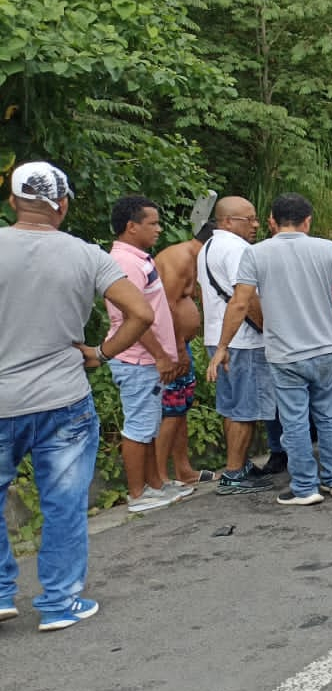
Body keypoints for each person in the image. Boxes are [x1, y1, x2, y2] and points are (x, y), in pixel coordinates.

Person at [2, 162, 154, 630]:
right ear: (63, 206)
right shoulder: (86, 255)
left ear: (12, 202)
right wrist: (100, 353)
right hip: (62, 399)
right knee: (63, 504)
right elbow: (140, 312)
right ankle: (59, 603)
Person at [210, 193, 332, 506]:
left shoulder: (256, 254)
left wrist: (222, 346)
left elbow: (240, 303)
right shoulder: (327, 249)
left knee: (295, 421)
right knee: (327, 414)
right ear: (308, 221)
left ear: (272, 221)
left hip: (285, 355)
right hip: (324, 350)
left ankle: (305, 487)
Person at [106, 195, 193, 513]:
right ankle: (137, 494)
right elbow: (134, 317)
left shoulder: (140, 257)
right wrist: (160, 355)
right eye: (152, 223)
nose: (159, 229)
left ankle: (156, 484)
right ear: (131, 226)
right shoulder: (125, 262)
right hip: (137, 359)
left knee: (151, 424)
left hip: (150, 360)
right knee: (139, 427)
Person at [199, 197, 282, 493]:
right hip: (243, 341)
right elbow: (244, 298)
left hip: (219, 338)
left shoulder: (208, 246)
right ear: (227, 222)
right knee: (245, 409)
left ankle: (241, 465)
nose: (256, 225)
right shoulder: (237, 249)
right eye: (250, 219)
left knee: (233, 406)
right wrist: (269, 330)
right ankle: (234, 474)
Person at [152, 225, 216, 487]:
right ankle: (159, 478)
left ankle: (183, 469)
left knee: (180, 408)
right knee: (171, 410)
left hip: (180, 343)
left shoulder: (194, 258)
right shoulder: (181, 258)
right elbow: (164, 306)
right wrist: (177, 348)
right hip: (170, 345)